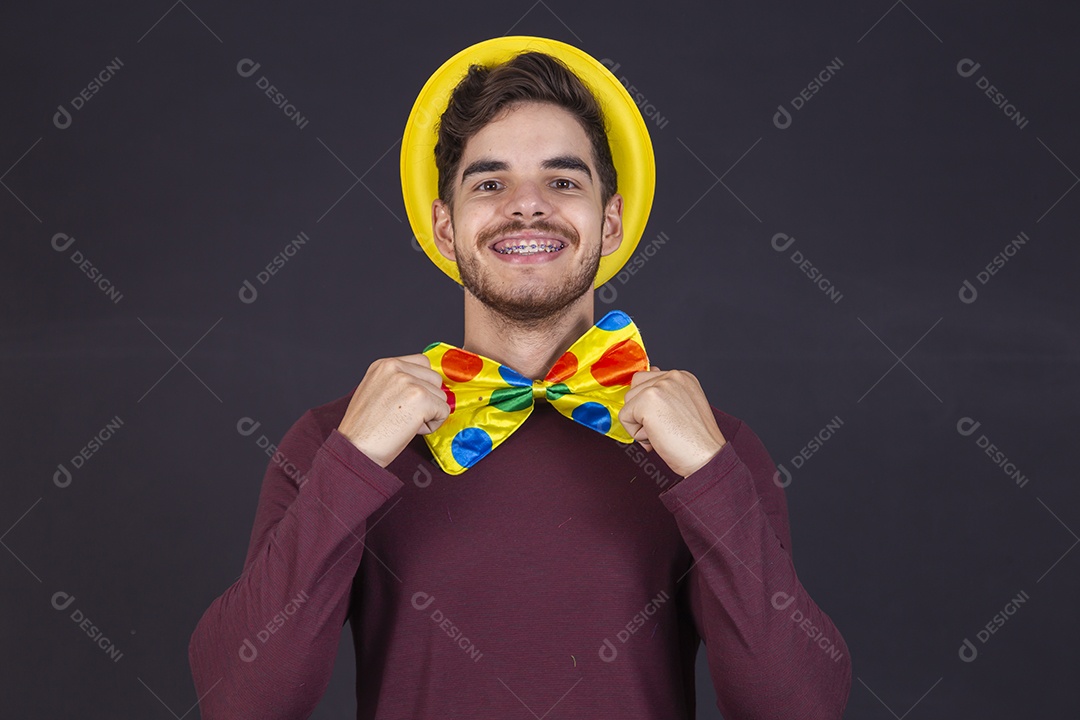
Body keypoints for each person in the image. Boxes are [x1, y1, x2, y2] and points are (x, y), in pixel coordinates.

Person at [188, 36, 852, 719]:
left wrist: (712, 476)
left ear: (612, 221)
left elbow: (798, 707)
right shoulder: (336, 438)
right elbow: (240, 702)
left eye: (563, 181)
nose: (527, 206)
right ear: (444, 228)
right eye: (490, 182)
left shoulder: (712, 447)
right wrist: (350, 464)